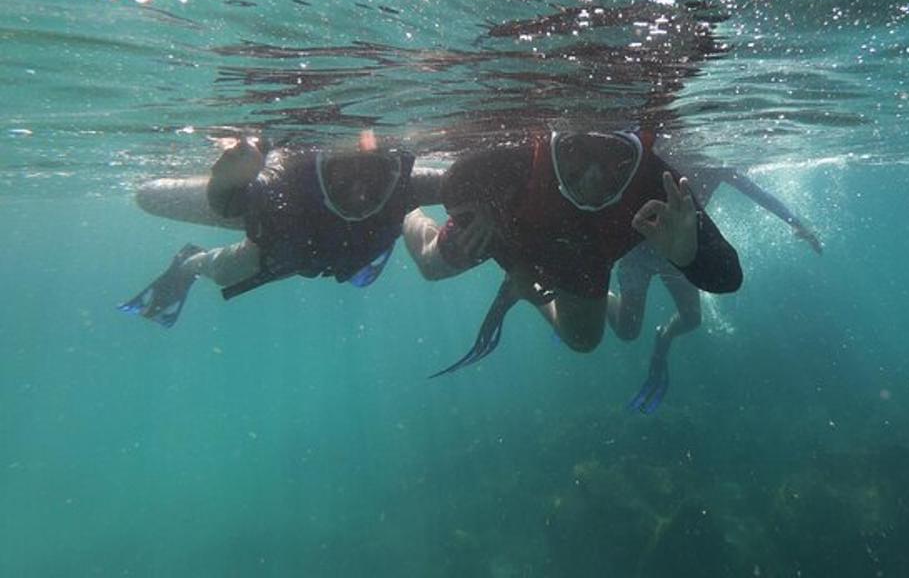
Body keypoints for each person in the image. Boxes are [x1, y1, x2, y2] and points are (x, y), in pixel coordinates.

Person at [402, 129, 744, 391]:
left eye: (613, 156)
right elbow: (455, 184)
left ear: (637, 147)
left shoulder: (657, 182)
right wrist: (509, 255)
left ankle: (527, 289)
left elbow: (727, 277)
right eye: (576, 150)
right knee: (431, 264)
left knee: (583, 340)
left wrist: (688, 257)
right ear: (555, 139)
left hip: (584, 254)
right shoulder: (517, 160)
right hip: (512, 227)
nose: (594, 177)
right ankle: (406, 210)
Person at [121, 131, 443, 327]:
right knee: (227, 271)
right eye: (344, 175)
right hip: (292, 240)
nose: (359, 193)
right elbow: (229, 205)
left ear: (396, 166)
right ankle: (188, 263)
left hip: (342, 241)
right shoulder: (283, 183)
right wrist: (226, 181)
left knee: (403, 206)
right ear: (321, 162)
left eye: (375, 173)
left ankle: (391, 229)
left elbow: (459, 181)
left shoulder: (406, 185)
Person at [611, 165, 821, 412]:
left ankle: (663, 338)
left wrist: (796, 222)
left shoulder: (718, 166)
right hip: (636, 256)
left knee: (691, 319)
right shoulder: (662, 156)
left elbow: (757, 192)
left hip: (679, 254)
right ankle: (601, 298)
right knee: (627, 331)